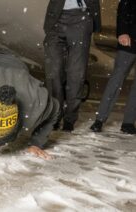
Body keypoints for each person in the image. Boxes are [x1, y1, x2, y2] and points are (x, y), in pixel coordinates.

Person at [43, 0, 101, 132]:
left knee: (76, 73)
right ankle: (54, 116)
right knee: (53, 71)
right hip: (56, 17)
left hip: (80, 18)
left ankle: (70, 118)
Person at [90, 0, 136, 134]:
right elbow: (123, 9)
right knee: (116, 80)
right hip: (129, 41)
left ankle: (128, 123)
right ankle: (99, 120)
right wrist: (122, 32)